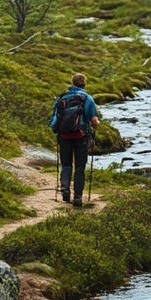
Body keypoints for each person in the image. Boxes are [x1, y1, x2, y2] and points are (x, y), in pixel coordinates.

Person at [49, 72, 100, 206]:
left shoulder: (62, 98)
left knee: (66, 165)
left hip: (64, 136)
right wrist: (96, 126)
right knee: (80, 167)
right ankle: (77, 196)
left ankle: (65, 188)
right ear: (84, 83)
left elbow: (54, 120)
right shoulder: (87, 98)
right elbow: (94, 120)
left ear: (72, 83)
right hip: (81, 136)